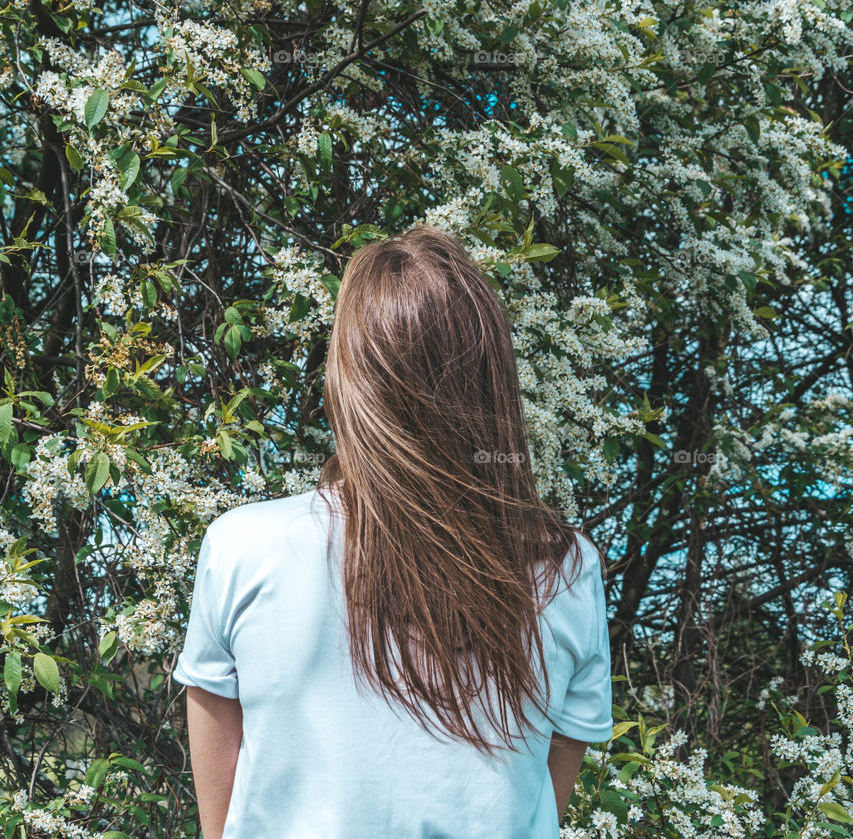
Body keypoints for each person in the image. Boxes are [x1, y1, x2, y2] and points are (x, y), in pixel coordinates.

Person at [172, 225, 613, 838]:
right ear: (493, 384)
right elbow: (537, 803)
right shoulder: (565, 571)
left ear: (350, 382)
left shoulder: (243, 549)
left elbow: (219, 825)